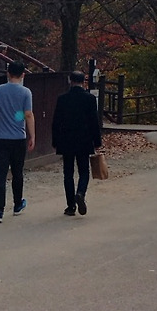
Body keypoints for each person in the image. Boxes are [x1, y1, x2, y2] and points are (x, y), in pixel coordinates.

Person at [0, 61, 35, 223]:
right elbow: (27, 114)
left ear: (8, 73)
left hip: (0, 138)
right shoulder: (26, 92)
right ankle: (17, 204)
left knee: (0, 175)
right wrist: (32, 136)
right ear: (23, 75)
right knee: (17, 172)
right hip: (18, 138)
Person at [51, 70, 103, 216]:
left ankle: (70, 206)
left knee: (68, 173)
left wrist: (55, 140)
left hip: (66, 139)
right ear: (84, 81)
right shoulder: (90, 99)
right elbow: (94, 122)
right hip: (84, 139)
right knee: (84, 171)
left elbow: (56, 122)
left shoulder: (62, 99)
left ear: (70, 80)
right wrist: (97, 141)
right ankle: (80, 193)